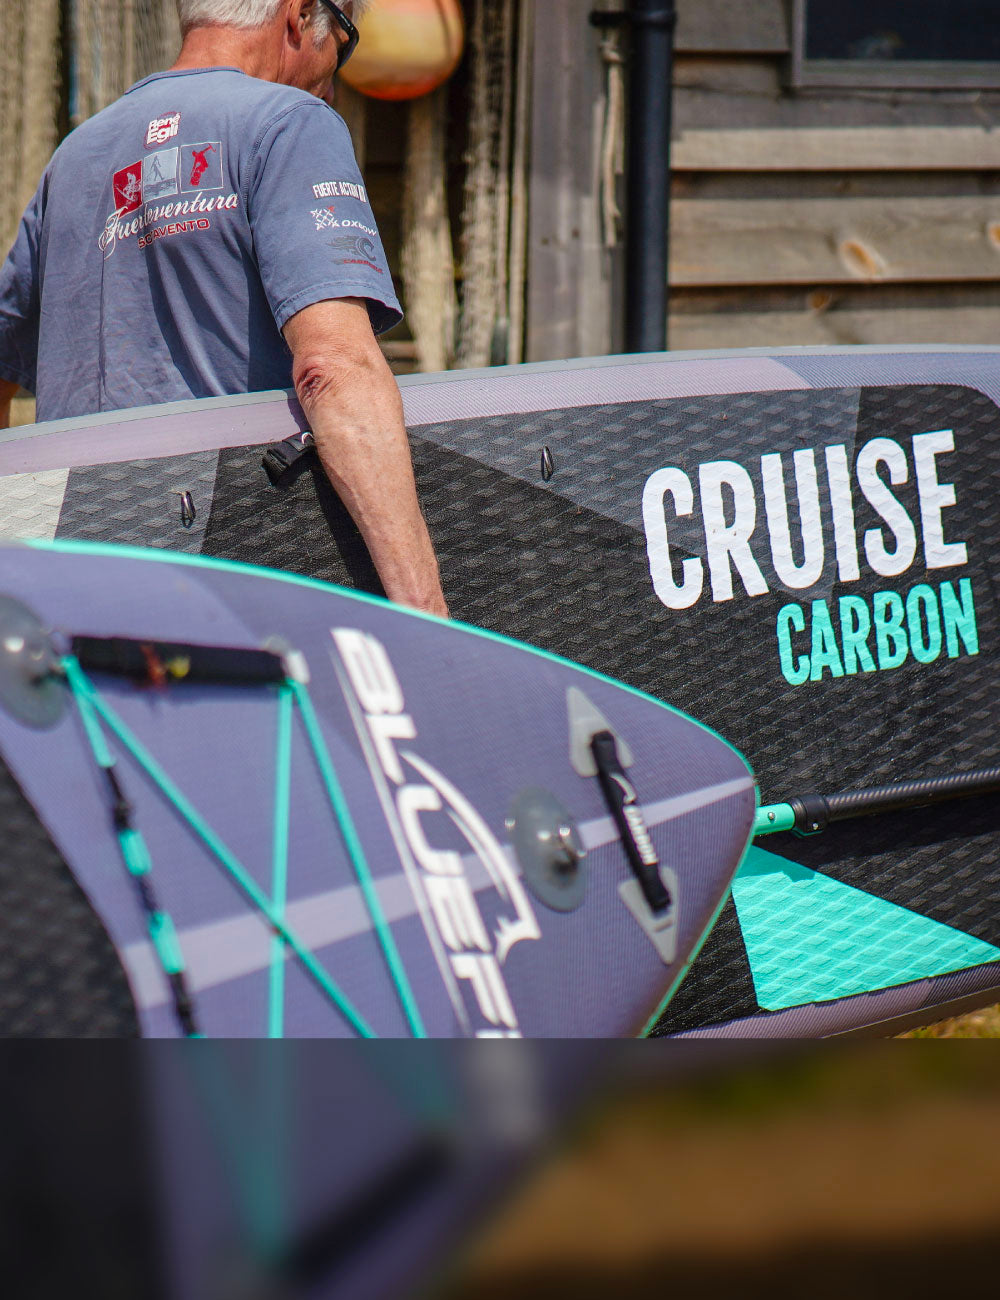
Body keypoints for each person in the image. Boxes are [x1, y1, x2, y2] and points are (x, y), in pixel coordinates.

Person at [0, 0, 448, 618]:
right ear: (298, 16)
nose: (333, 82)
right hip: (226, 586)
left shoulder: (75, 158)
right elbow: (335, 369)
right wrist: (427, 621)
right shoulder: (291, 123)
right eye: (342, 47)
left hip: (69, 591)